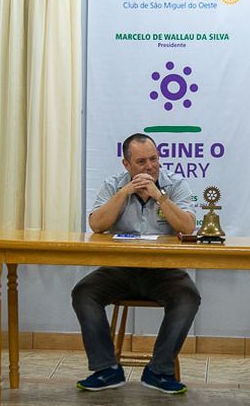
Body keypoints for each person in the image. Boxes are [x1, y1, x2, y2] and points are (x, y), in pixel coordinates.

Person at [71, 133, 200, 395]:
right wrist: (124, 192)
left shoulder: (176, 184)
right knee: (84, 292)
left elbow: (188, 227)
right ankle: (106, 369)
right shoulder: (114, 185)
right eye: (141, 162)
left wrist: (159, 197)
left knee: (188, 297)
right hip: (120, 269)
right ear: (126, 165)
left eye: (154, 159)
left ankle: (159, 371)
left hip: (164, 271)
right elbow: (97, 225)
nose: (150, 166)